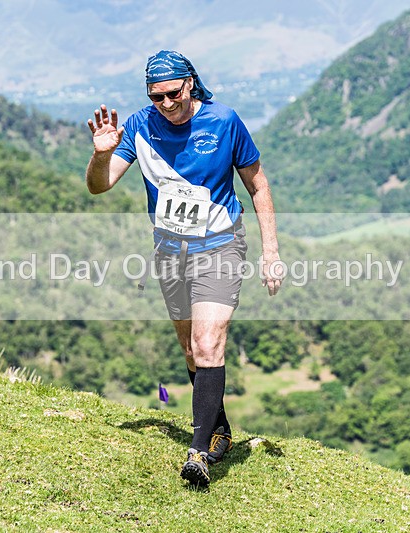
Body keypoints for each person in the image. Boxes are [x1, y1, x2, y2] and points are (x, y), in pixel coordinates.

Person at [86, 50, 282, 486]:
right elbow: (100, 186)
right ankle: (219, 430)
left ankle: (198, 452)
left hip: (221, 244)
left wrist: (271, 252)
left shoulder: (224, 120)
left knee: (208, 341)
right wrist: (101, 154)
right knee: (192, 351)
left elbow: (258, 184)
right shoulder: (139, 126)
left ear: (190, 84)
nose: (166, 104)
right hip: (171, 251)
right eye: (156, 97)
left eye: (173, 93)